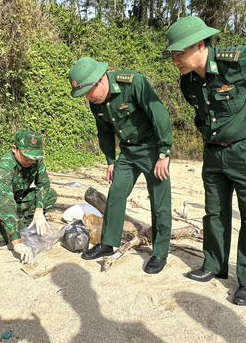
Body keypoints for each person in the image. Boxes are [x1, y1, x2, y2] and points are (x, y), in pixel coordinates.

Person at [162, 16, 246, 305]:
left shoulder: (237, 61)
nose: (174, 59)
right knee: (214, 212)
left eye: (178, 52)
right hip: (214, 152)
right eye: (172, 54)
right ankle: (213, 264)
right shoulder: (187, 82)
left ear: (200, 44)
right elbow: (202, 114)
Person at [68, 57, 173, 274]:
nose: (88, 98)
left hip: (152, 148)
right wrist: (111, 161)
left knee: (159, 201)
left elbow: (159, 114)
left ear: (99, 81)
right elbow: (104, 132)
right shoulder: (95, 102)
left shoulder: (132, 82)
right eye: (84, 95)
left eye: (88, 92)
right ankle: (108, 243)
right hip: (127, 151)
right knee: (116, 193)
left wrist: (164, 152)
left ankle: (160, 252)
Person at [0, 130, 58, 265]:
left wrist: (39, 211)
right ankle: (0, 229)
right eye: (26, 156)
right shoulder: (5, 166)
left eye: (33, 157)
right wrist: (18, 243)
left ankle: (25, 225)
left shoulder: (36, 160)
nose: (30, 161)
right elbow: (5, 202)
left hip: (19, 197)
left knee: (50, 195)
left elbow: (43, 185)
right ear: (14, 149)